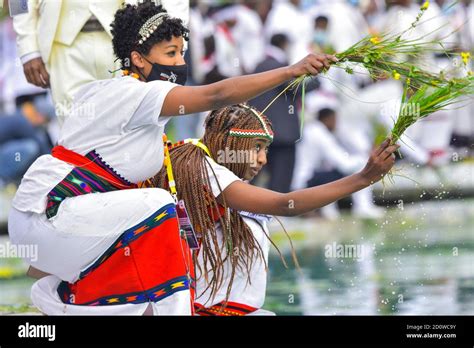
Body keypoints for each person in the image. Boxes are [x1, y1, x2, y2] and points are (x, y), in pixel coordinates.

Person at [8, 1, 336, 315]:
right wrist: (291, 71)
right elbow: (217, 94)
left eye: (182, 53)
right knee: (158, 204)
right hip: (49, 213)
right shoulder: (137, 93)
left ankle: (68, 300)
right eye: (170, 54)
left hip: (45, 222)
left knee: (151, 224)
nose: (180, 63)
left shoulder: (106, 92)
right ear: (137, 59)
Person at [145, 104, 399, 315]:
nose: (263, 159)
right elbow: (285, 205)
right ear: (230, 143)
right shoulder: (205, 171)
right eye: (256, 147)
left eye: (265, 149)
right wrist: (363, 178)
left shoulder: (213, 172)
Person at [12, 0, 189, 125]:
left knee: (131, 126)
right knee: (73, 135)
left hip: (128, 42)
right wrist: (28, 49)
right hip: (63, 46)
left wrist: (174, 39)